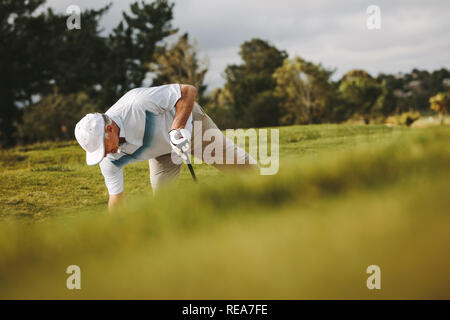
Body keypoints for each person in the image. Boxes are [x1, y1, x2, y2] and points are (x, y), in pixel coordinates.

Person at [75, 84, 257, 209]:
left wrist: (177, 128)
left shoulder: (136, 103)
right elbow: (116, 198)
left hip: (193, 128)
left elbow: (188, 91)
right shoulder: (108, 159)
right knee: (163, 206)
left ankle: (277, 198)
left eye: (103, 147)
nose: (105, 154)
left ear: (109, 129)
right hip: (162, 152)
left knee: (241, 168)